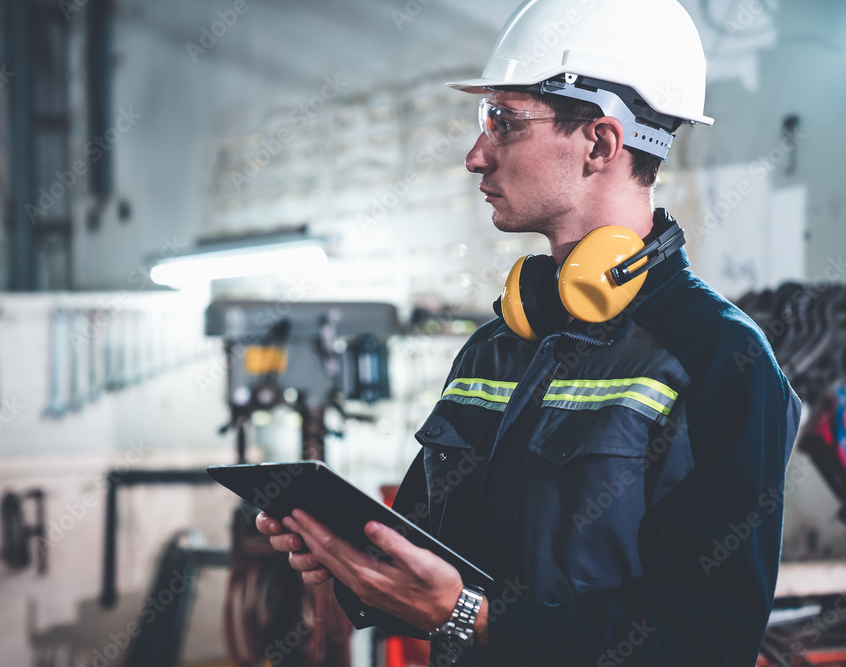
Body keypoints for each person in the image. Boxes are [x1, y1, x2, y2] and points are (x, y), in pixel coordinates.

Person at [258, 0, 802, 664]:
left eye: (504, 123)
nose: (474, 155)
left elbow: (707, 639)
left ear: (600, 143)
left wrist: (472, 616)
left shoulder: (720, 357)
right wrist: (353, 561)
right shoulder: (497, 344)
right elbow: (431, 555)